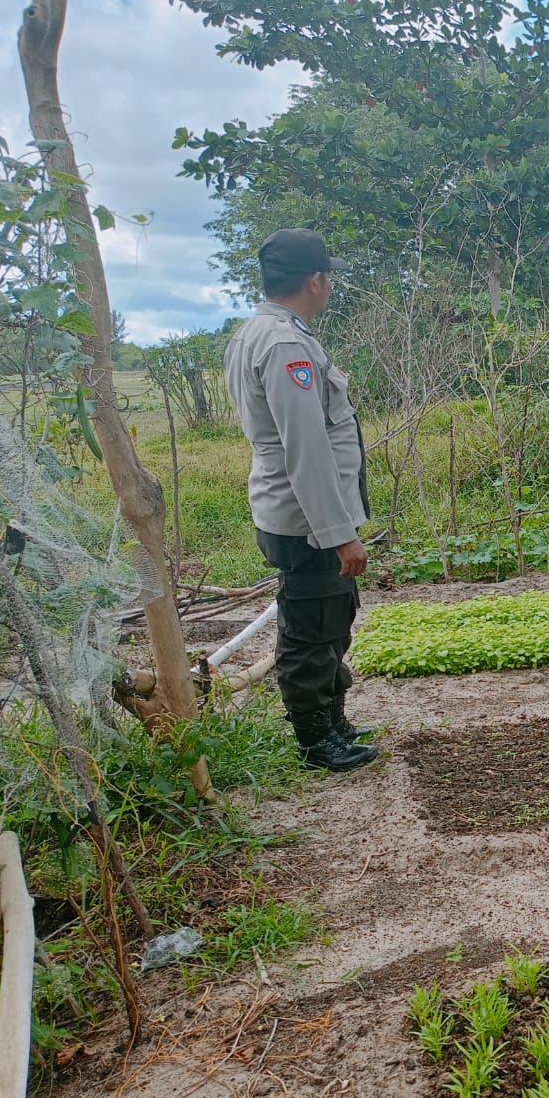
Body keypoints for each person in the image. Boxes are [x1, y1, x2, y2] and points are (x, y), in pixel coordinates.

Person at [224, 229, 380, 772]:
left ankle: (333, 721)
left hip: (296, 512)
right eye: (328, 275)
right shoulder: (284, 344)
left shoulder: (261, 332)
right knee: (311, 627)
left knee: (331, 615)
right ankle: (316, 741)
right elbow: (307, 450)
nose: (329, 283)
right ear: (315, 280)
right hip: (305, 519)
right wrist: (340, 533)